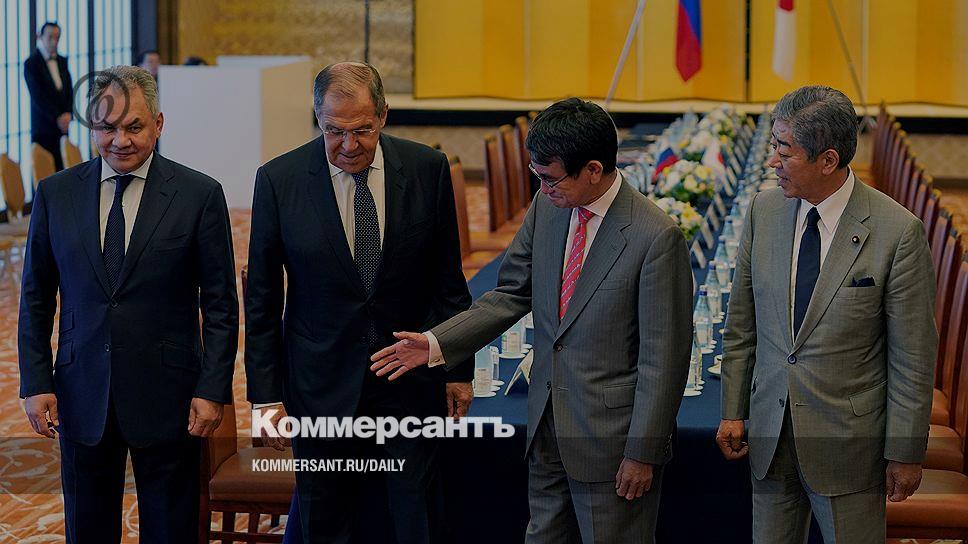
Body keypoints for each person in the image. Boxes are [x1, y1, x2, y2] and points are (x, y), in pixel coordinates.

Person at [370, 97, 694, 544]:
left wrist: (643, 452)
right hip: (546, 423)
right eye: (535, 175)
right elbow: (510, 293)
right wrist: (437, 342)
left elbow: (664, 359)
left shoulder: (655, 237)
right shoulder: (549, 207)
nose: (541, 188)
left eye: (550, 178)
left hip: (611, 440)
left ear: (593, 170)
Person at [244, 61, 473, 544]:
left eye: (362, 130)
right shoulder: (279, 180)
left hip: (408, 379)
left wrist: (457, 369)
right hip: (320, 381)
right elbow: (262, 299)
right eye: (334, 131)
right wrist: (265, 397)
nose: (348, 145)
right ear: (317, 119)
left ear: (384, 116)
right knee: (326, 518)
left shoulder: (426, 169)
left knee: (415, 516)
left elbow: (447, 281)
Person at [18, 65, 238, 543]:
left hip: (171, 396)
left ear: (158, 123)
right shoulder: (56, 194)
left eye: (134, 126)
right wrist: (35, 382)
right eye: (106, 128)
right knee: (88, 530)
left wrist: (212, 389)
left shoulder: (199, 195)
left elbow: (221, 305)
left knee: (171, 530)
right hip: (81, 392)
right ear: (91, 127)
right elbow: (35, 297)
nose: (120, 140)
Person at [715, 85, 936, 543]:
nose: (772, 162)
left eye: (784, 151)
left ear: (828, 161)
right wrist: (733, 410)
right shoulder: (763, 212)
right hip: (770, 434)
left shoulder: (897, 233)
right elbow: (742, 325)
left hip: (849, 444)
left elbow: (912, 358)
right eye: (773, 146)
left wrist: (906, 451)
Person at [24, 21, 74, 172]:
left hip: (63, 127)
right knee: (44, 172)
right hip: (43, 127)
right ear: (40, 36)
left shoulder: (62, 61)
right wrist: (57, 117)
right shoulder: (31, 63)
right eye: (50, 37)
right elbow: (38, 97)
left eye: (57, 37)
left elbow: (69, 90)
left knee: (63, 169)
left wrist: (68, 113)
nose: (54, 41)